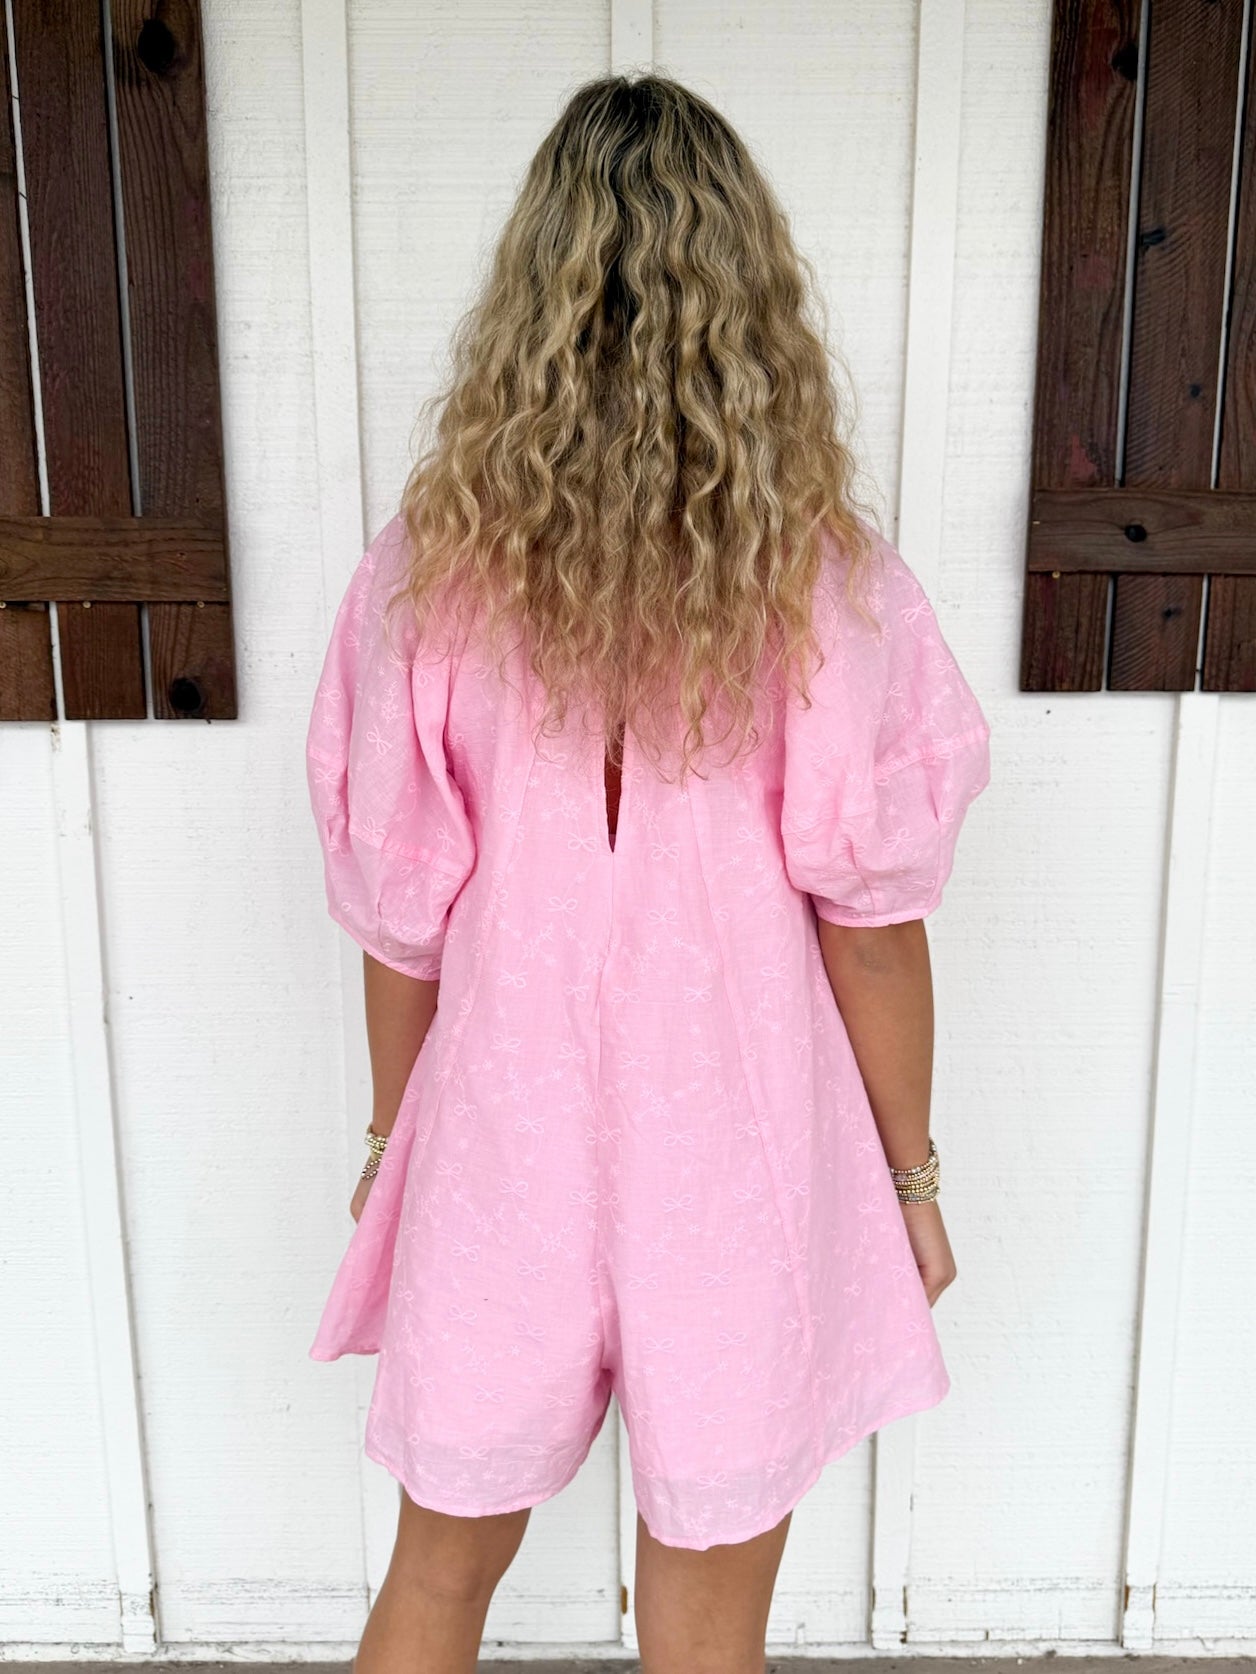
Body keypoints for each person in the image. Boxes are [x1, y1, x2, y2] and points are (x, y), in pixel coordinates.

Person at [304, 70, 991, 1674]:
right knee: (707, 1628)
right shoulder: (823, 584)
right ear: (752, 298)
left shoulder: (430, 576)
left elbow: (403, 917)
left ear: (531, 292)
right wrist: (910, 1182)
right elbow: (872, 926)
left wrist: (394, 1136)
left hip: (507, 1132)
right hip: (736, 1144)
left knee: (435, 1579)